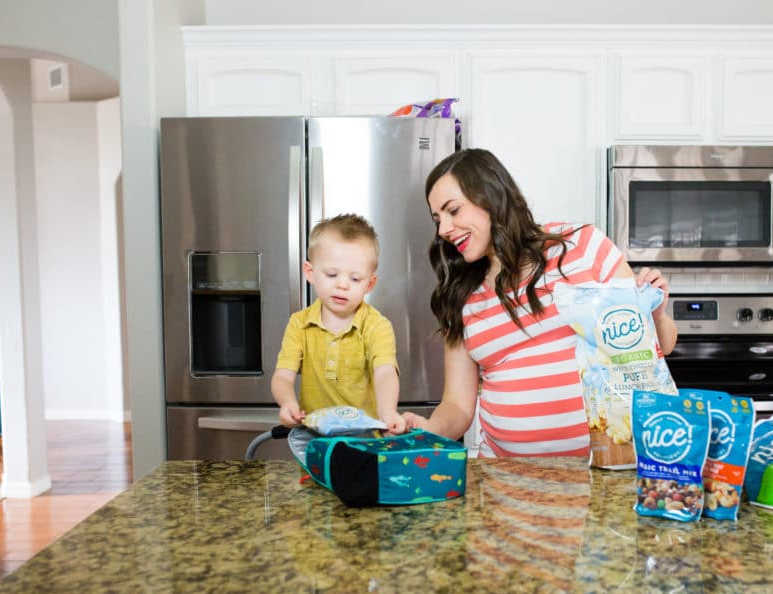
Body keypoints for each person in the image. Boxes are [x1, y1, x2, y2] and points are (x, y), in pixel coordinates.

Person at [402, 149, 677, 457]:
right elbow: (457, 405)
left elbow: (658, 349)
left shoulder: (582, 246)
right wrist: (430, 430)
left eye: (453, 211)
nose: (443, 230)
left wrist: (653, 315)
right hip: (506, 483)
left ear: (490, 196)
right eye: (437, 219)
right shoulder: (461, 293)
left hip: (600, 475)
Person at [272, 213, 407, 433]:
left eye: (355, 279)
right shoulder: (299, 324)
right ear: (310, 272)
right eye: (332, 274)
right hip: (315, 441)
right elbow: (282, 376)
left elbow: (385, 372)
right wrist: (287, 402)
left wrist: (388, 412)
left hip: (365, 441)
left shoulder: (377, 326)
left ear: (370, 283)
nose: (342, 285)